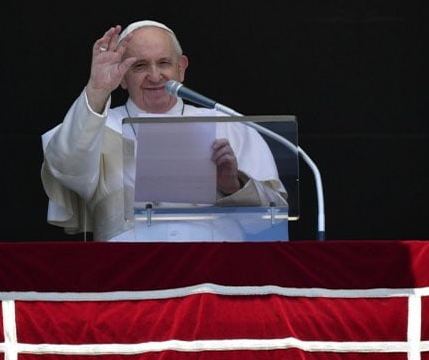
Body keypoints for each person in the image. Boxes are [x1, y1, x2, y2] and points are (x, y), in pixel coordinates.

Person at [41, 20, 288, 241]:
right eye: (139, 66)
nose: (155, 76)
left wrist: (233, 186)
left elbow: (272, 220)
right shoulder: (97, 126)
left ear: (181, 68)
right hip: (128, 278)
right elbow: (67, 168)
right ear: (123, 77)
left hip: (211, 276)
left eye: (164, 63)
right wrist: (97, 88)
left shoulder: (226, 123)